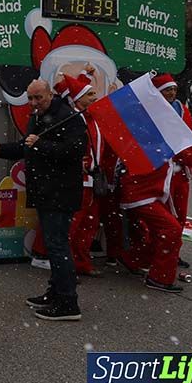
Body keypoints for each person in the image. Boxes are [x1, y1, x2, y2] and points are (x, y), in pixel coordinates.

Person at [0, 79, 87, 321]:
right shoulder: (38, 116)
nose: (33, 103)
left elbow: (74, 151)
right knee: (54, 246)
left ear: (50, 95)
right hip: (45, 191)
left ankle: (68, 301)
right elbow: (27, 145)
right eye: (30, 98)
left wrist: (42, 144)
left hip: (60, 193)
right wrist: (2, 150)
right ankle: (56, 292)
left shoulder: (68, 117)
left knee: (58, 246)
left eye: (38, 98)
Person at [119, 120, 192, 292]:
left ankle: (136, 260)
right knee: (171, 229)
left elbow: (189, 157)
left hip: (152, 195)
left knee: (165, 230)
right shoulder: (143, 137)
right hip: (141, 195)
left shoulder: (166, 136)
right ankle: (158, 277)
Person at [54, 72, 117, 278]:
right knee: (73, 225)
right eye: (90, 95)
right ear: (78, 99)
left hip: (94, 181)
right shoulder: (72, 118)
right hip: (78, 181)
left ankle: (81, 262)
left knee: (89, 224)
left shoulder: (93, 118)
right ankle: (66, 267)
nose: (94, 97)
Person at [153, 73, 192, 269]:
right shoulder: (150, 111)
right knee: (165, 219)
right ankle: (158, 255)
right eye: (167, 90)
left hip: (181, 172)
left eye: (174, 89)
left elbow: (191, 141)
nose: (172, 93)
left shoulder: (181, 109)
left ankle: (172, 253)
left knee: (180, 216)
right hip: (160, 172)